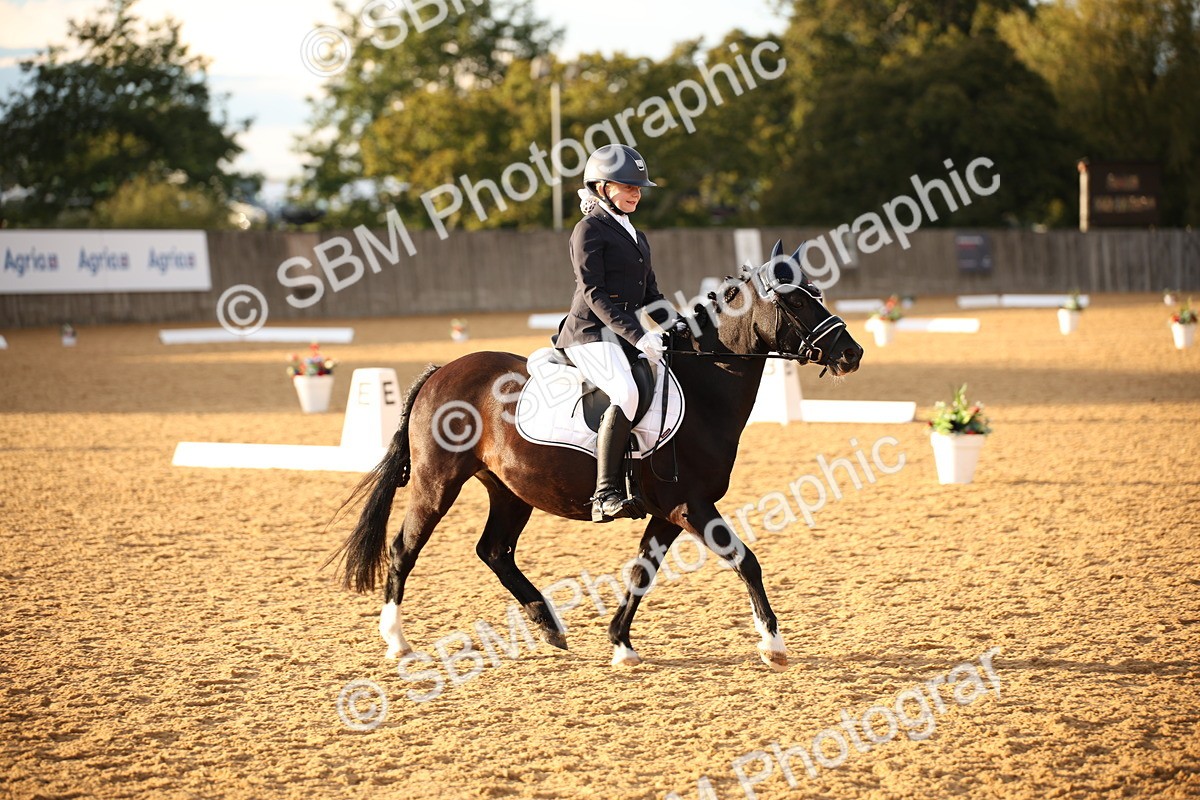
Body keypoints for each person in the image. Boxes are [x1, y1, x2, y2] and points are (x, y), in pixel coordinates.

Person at [555, 144, 669, 522]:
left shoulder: (637, 235)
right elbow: (594, 293)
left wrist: (680, 326)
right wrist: (639, 336)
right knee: (625, 392)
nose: (636, 194)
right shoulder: (588, 229)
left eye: (639, 188)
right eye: (628, 186)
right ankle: (605, 493)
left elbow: (652, 295)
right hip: (590, 333)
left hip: (622, 335)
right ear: (603, 188)